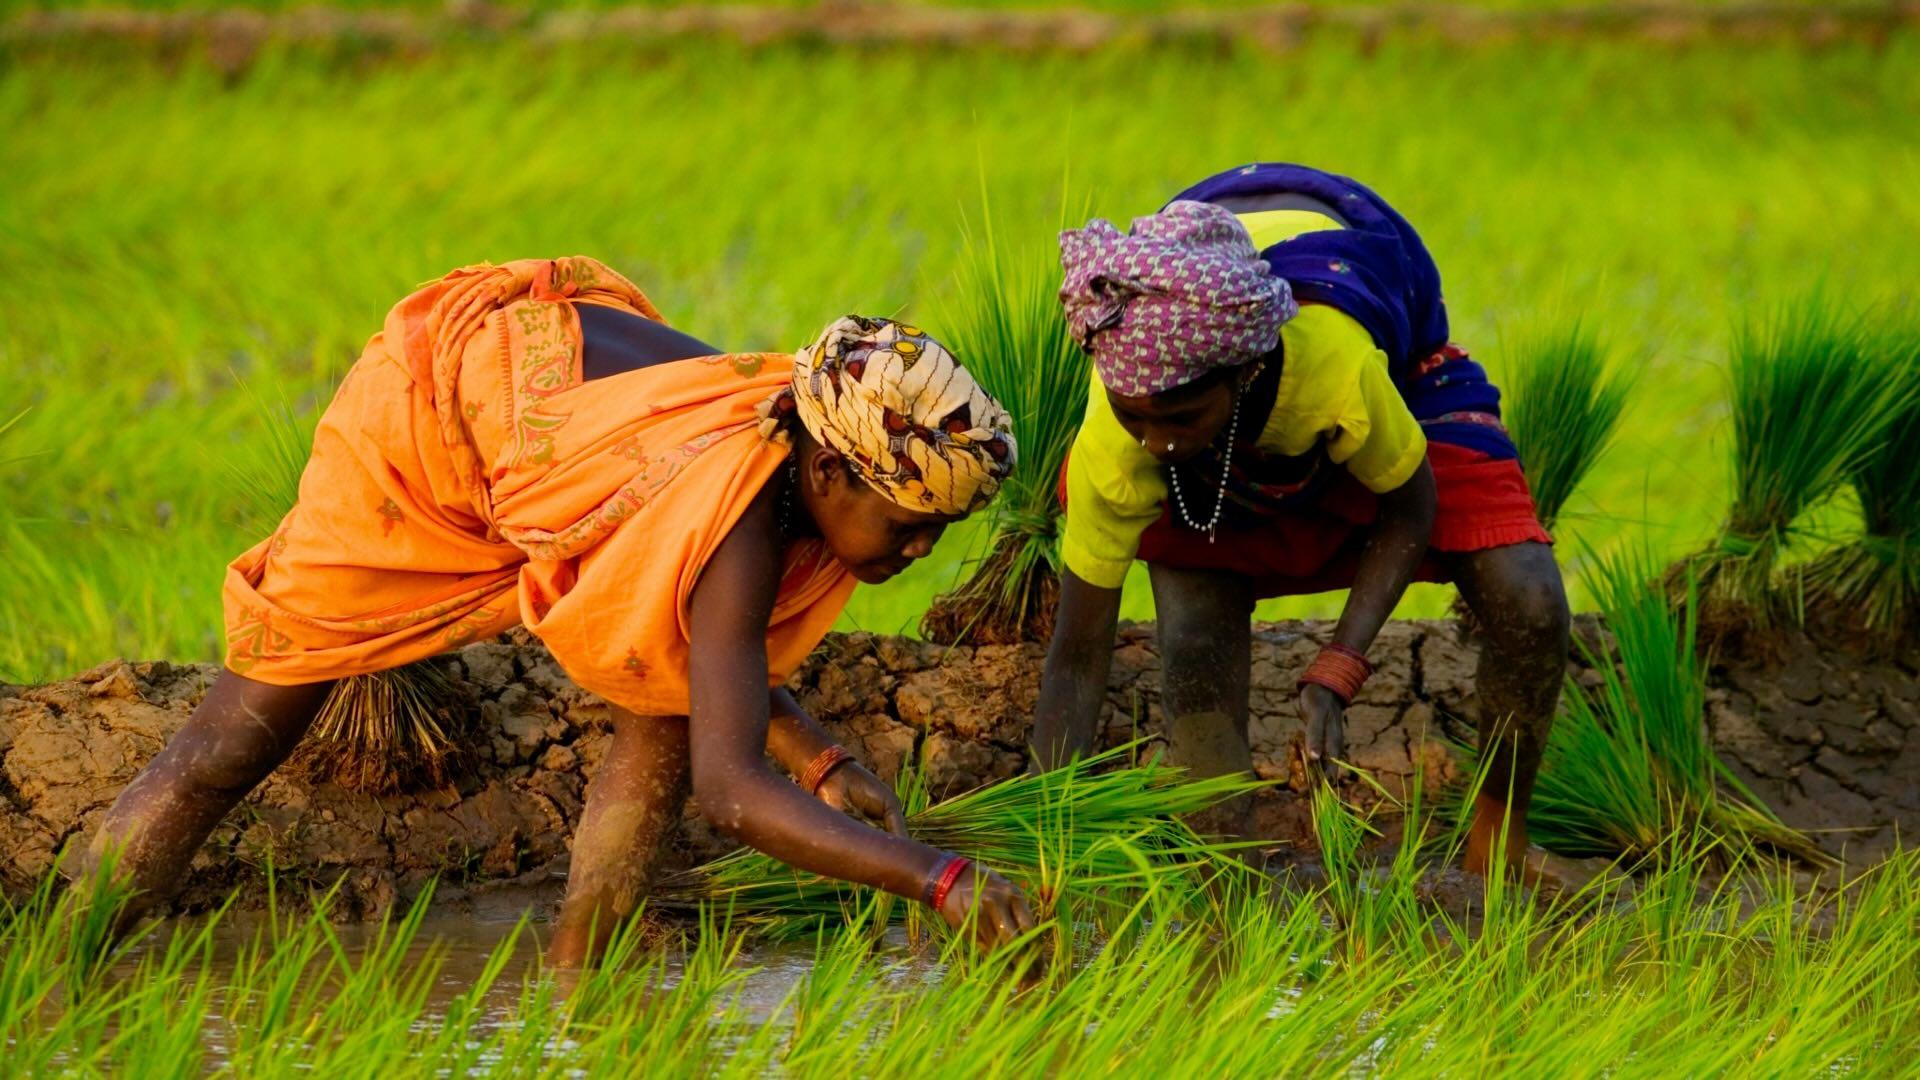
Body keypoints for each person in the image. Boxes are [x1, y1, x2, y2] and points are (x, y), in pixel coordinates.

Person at [67, 256, 1035, 963]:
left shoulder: (784, 439)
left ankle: (582, 986)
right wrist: (936, 879)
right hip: (436, 421)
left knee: (662, 708)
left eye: (937, 536)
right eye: (909, 525)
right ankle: (64, 961)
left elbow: (700, 661)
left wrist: (821, 760)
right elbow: (731, 795)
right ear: (829, 467)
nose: (918, 553)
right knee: (238, 740)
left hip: (547, 393)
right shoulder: (734, 518)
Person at [1032, 165, 1570, 877]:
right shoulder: (1123, 427)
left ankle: (1499, 844)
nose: (1158, 441)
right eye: (1139, 418)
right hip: (1210, 339)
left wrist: (1340, 666)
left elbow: (1410, 504)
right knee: (1192, 636)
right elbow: (1077, 658)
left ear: (1243, 375)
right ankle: (1225, 870)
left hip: (1385, 356)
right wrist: (1037, 843)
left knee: (1529, 597)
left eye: (1182, 418)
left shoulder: (1333, 368)